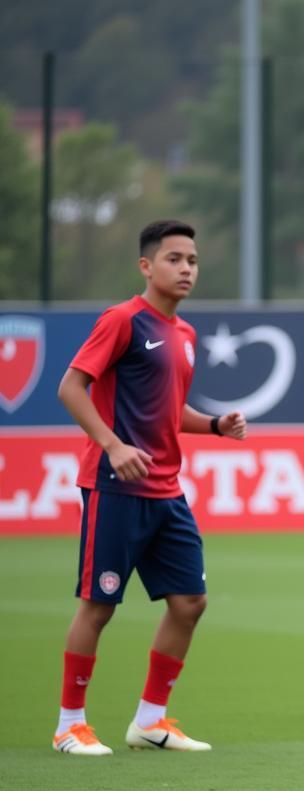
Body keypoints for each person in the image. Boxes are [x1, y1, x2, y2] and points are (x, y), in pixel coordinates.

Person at [52, 220, 246, 756]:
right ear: (146, 266)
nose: (186, 269)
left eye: (192, 260)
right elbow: (71, 386)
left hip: (167, 490)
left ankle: (150, 721)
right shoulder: (122, 320)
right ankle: (70, 723)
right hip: (115, 487)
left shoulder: (184, 334)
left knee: (189, 602)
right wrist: (112, 445)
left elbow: (167, 409)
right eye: (174, 259)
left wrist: (212, 425)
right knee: (99, 605)